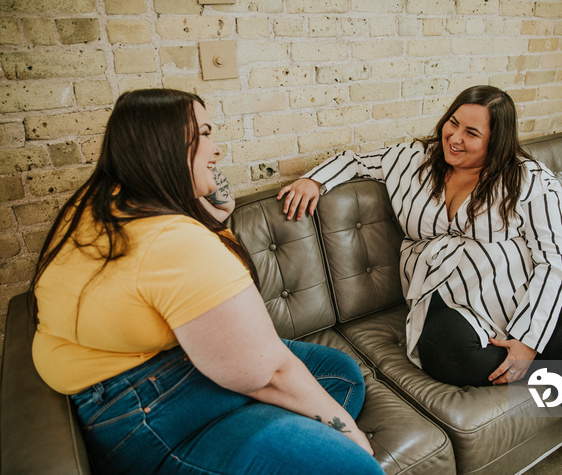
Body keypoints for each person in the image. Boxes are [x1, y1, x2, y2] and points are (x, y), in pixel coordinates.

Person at [278, 85, 562, 475]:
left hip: (529, 286)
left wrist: (527, 342)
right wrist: (315, 181)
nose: (454, 138)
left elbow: (555, 261)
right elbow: (355, 161)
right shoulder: (414, 160)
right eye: (452, 123)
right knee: (445, 356)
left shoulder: (531, 181)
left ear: (497, 143)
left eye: (471, 133)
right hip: (448, 287)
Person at [29, 88, 383, 475]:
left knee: (341, 375)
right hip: (139, 403)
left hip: (155, 365)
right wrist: (352, 437)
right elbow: (271, 373)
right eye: (206, 134)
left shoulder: (106, 198)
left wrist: (218, 214)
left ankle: (274, 434)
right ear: (163, 148)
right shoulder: (172, 241)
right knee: (357, 467)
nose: (217, 150)